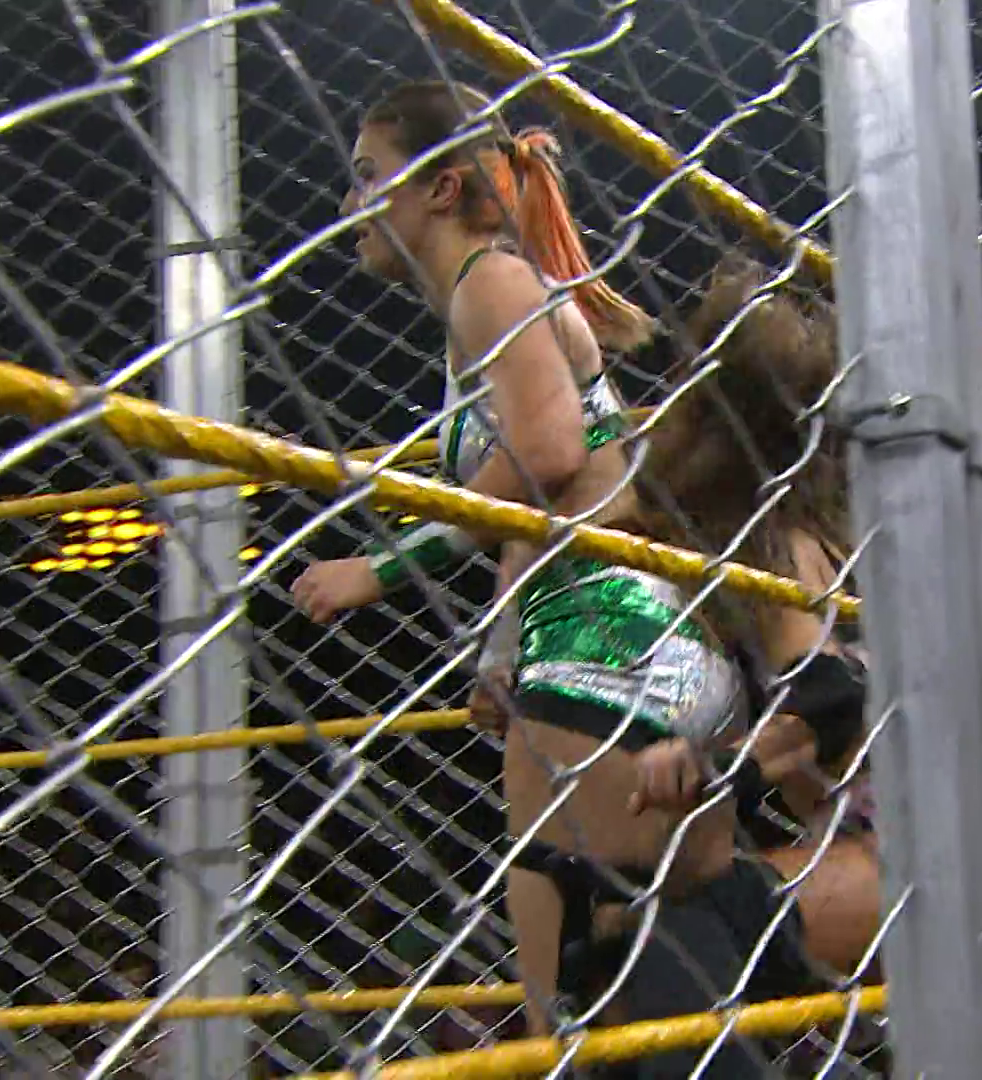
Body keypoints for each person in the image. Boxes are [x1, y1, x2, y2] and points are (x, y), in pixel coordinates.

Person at [287, 80, 773, 1075]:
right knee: (646, 984)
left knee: (583, 1018)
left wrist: (379, 568)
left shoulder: (491, 285)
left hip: (604, 646)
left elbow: (548, 459)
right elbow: (552, 500)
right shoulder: (490, 294)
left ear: (440, 188)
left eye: (368, 175)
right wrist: (499, 650)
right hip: (615, 639)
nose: (349, 204)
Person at [620, 258, 884, 985]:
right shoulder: (804, 529)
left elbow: (830, 694)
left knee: (672, 939)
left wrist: (720, 767)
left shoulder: (780, 546)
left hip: (902, 849)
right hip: (894, 829)